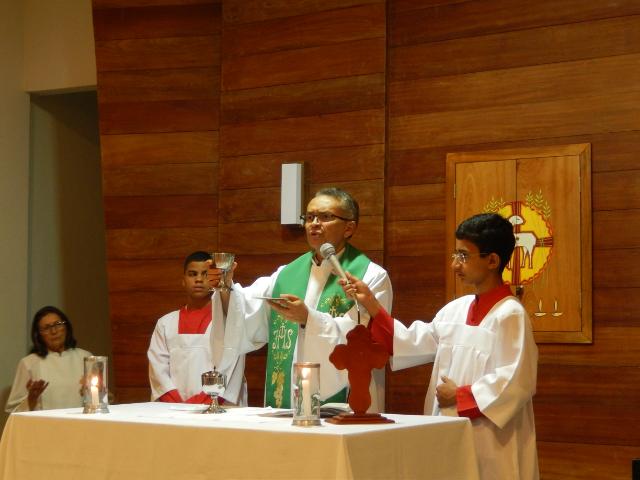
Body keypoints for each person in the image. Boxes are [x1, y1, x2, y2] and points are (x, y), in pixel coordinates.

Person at [342, 213, 539, 480]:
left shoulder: (510, 315)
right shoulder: (456, 309)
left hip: (492, 440)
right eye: (455, 254)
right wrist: (371, 304)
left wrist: (460, 397)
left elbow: (516, 382)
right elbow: (410, 342)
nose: (455, 264)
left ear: (492, 260)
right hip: (448, 430)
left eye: (464, 256)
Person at [218, 187, 392, 411]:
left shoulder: (370, 275)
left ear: (349, 228)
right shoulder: (286, 274)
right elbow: (244, 311)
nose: (314, 224)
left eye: (325, 217)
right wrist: (225, 287)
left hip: (346, 405)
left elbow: (365, 340)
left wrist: (308, 318)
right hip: (288, 401)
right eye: (309, 217)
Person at [147, 251, 247, 406]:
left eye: (205, 274)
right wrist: (178, 406)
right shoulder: (165, 324)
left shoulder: (228, 321)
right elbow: (158, 371)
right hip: (173, 410)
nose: (199, 279)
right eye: (192, 274)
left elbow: (230, 366)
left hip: (218, 407)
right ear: (183, 280)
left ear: (214, 279)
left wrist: (202, 403)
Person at [5, 306, 92, 412]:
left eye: (57, 324)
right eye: (46, 328)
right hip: (44, 422)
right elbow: (14, 410)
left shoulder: (86, 357)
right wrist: (31, 399)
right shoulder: (29, 363)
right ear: (39, 335)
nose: (54, 331)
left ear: (66, 327)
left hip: (81, 421)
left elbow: (101, 398)